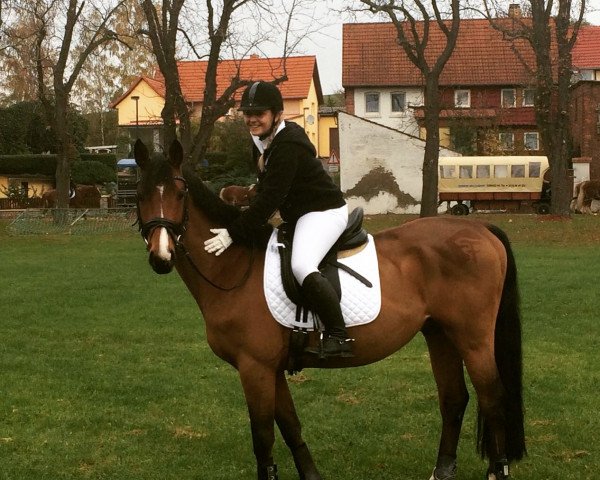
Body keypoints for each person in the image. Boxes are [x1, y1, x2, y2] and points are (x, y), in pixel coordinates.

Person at [203, 81, 353, 358]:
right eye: (247, 113)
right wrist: (247, 192)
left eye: (258, 113)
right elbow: (267, 186)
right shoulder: (261, 140)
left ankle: (338, 335)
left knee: (302, 265)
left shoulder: (288, 146)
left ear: (277, 114)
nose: (251, 119)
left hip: (324, 212)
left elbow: (269, 201)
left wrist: (232, 233)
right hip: (301, 215)